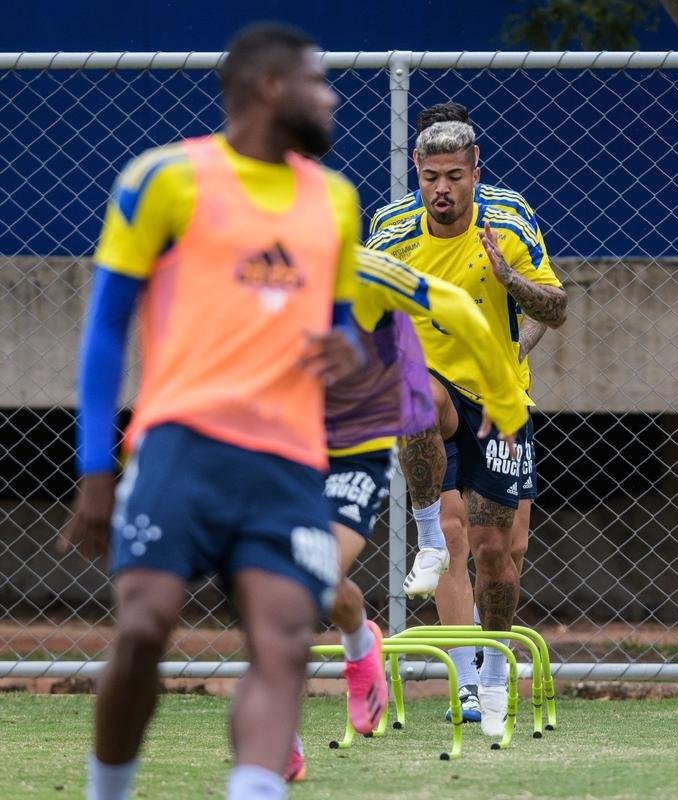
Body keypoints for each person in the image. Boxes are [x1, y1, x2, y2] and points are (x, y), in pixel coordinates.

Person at [58, 23, 364, 800]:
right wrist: (95, 467)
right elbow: (104, 332)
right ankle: (108, 791)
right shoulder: (166, 177)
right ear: (270, 89)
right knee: (142, 628)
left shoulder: (335, 200)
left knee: (286, 643)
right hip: (181, 448)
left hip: (289, 464)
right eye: (318, 81)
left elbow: (340, 326)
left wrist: (349, 351)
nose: (332, 98)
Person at [285, 244, 529, 780]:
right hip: (278, 437)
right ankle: (288, 731)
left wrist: (506, 398)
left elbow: (461, 311)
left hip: (354, 444)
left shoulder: (359, 265)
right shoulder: (222, 270)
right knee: (265, 581)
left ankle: (367, 652)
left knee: (308, 575)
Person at [366, 120, 567, 736]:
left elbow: (555, 308)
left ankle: (495, 673)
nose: (442, 188)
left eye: (454, 175)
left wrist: (510, 299)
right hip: (436, 389)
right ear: (416, 175)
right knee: (450, 535)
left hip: (501, 399)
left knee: (498, 551)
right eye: (430, 178)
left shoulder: (506, 219)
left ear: (476, 169)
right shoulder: (391, 233)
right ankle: (464, 680)